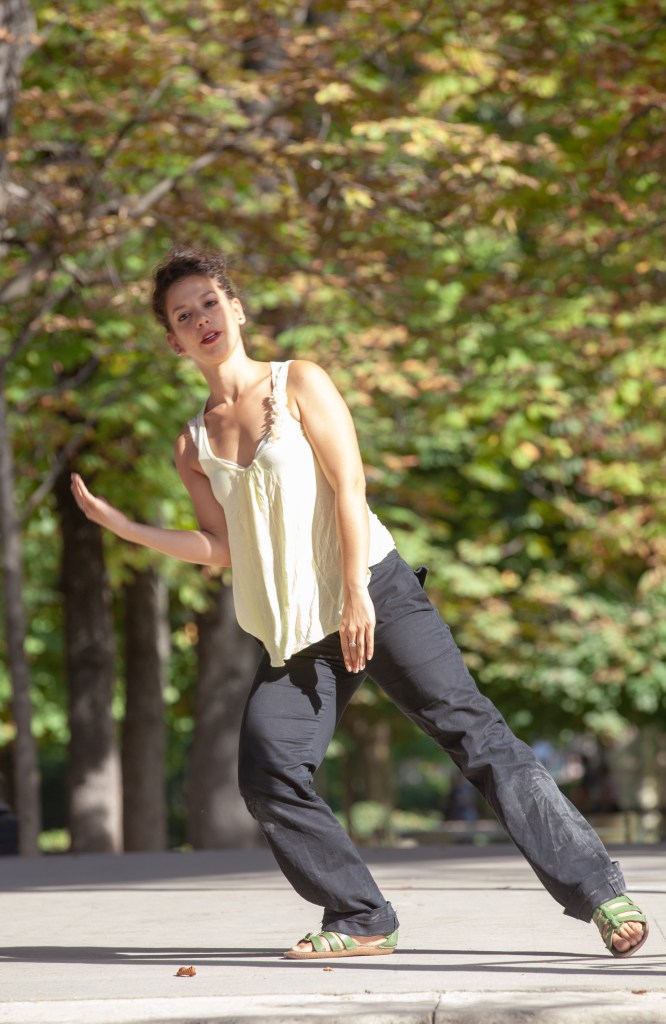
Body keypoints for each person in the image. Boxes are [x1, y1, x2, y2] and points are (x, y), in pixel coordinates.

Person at [71, 246, 648, 961]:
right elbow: (222, 546)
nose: (201, 320)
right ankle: (361, 915)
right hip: (295, 627)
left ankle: (599, 892)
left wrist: (355, 594)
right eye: (183, 316)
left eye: (209, 303)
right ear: (173, 340)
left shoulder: (300, 382)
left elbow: (349, 486)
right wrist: (126, 528)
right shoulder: (194, 443)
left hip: (373, 588)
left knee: (476, 737)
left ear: (236, 308)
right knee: (267, 770)